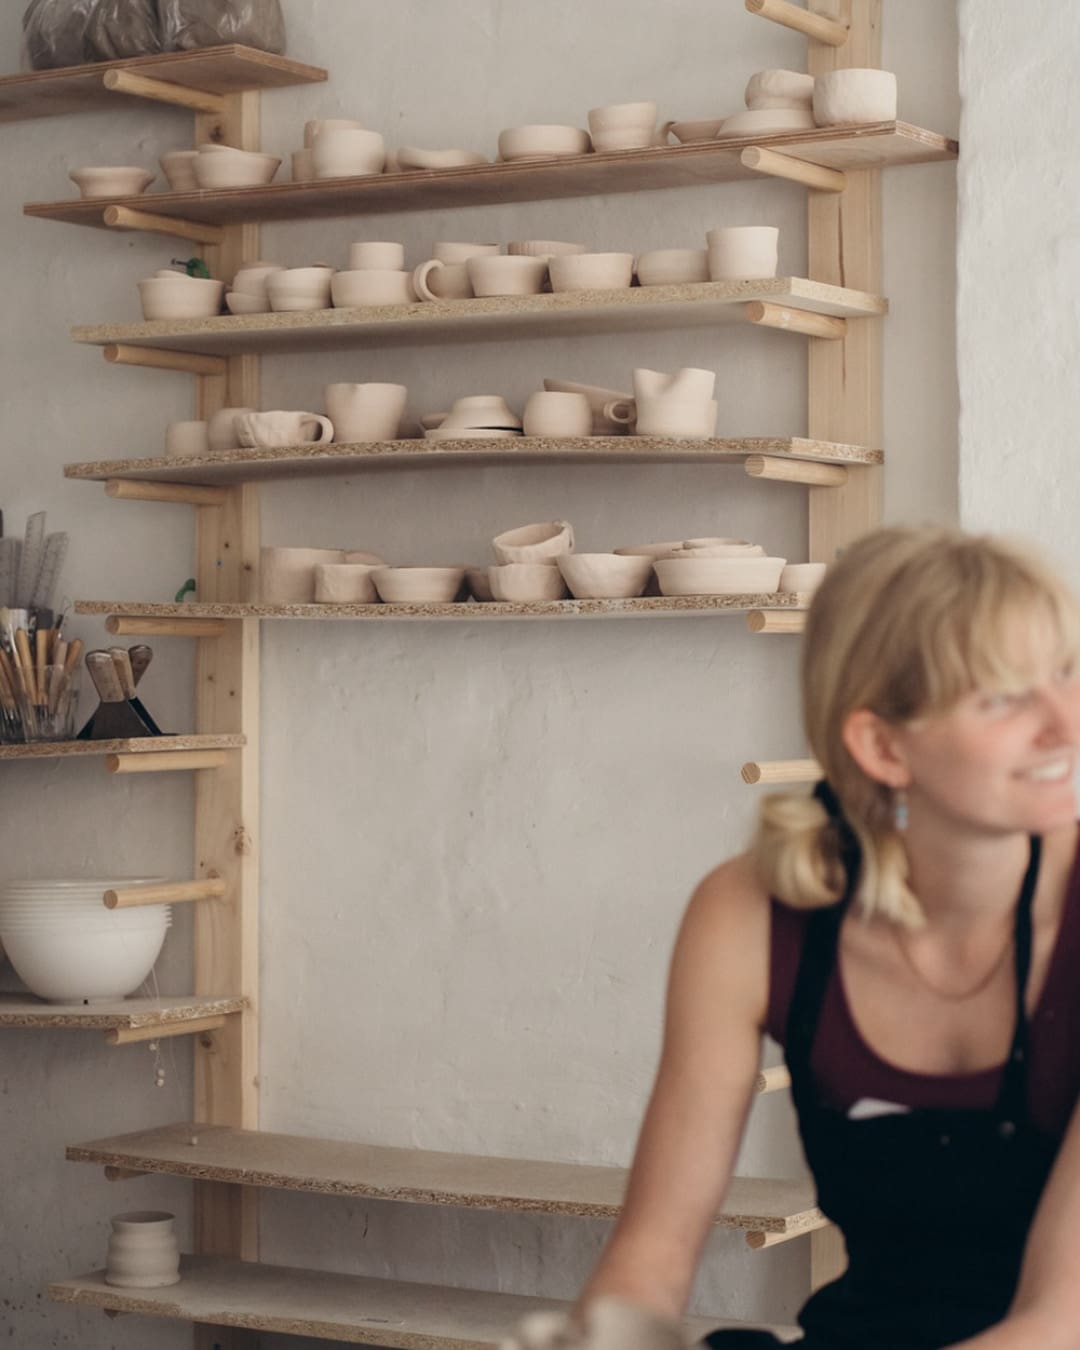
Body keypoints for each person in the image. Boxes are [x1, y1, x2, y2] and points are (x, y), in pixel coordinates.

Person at [562, 525, 1080, 1350]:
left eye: (1065, 673)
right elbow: (652, 1256)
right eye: (1005, 697)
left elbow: (1058, 1323)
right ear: (882, 745)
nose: (1066, 723)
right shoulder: (747, 914)